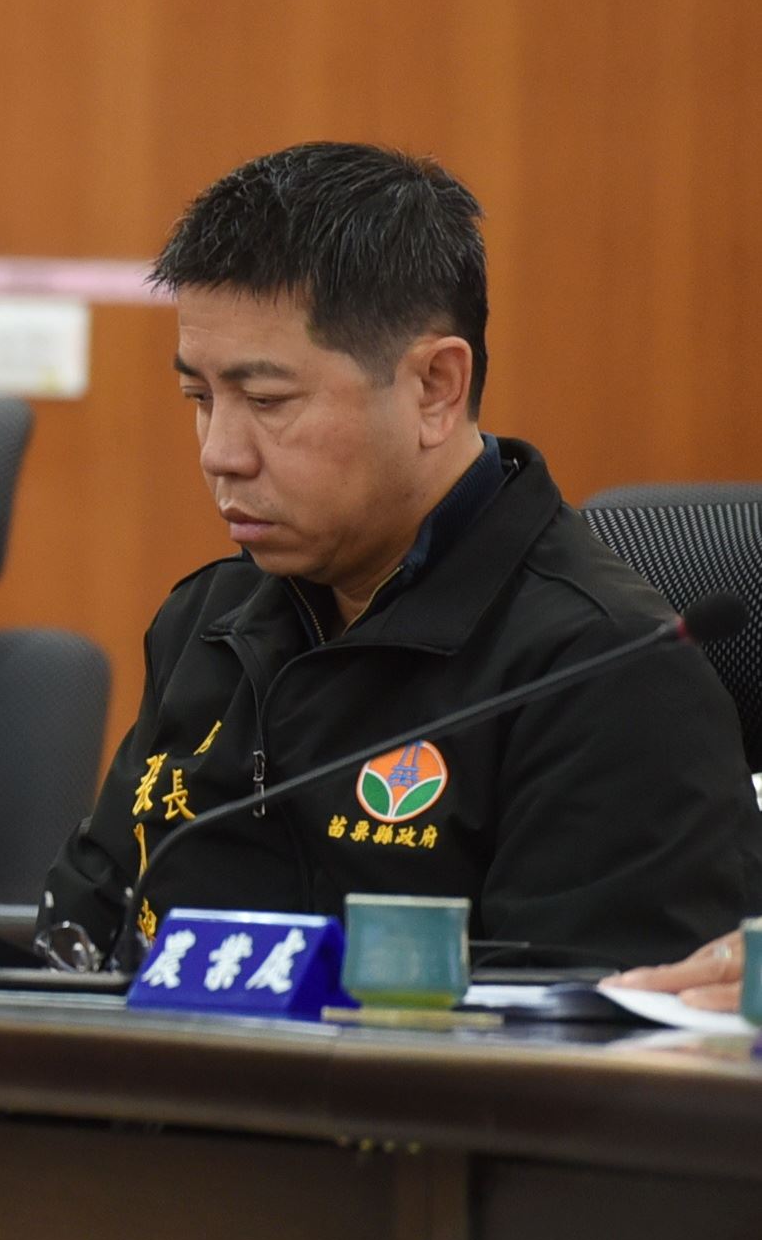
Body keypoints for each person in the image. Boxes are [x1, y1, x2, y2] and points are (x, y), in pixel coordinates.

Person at [38, 144, 754, 971]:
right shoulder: (207, 622)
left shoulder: (604, 670)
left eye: (267, 399)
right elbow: (77, 937)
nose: (219, 452)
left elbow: (575, 1027)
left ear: (435, 387)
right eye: (199, 397)